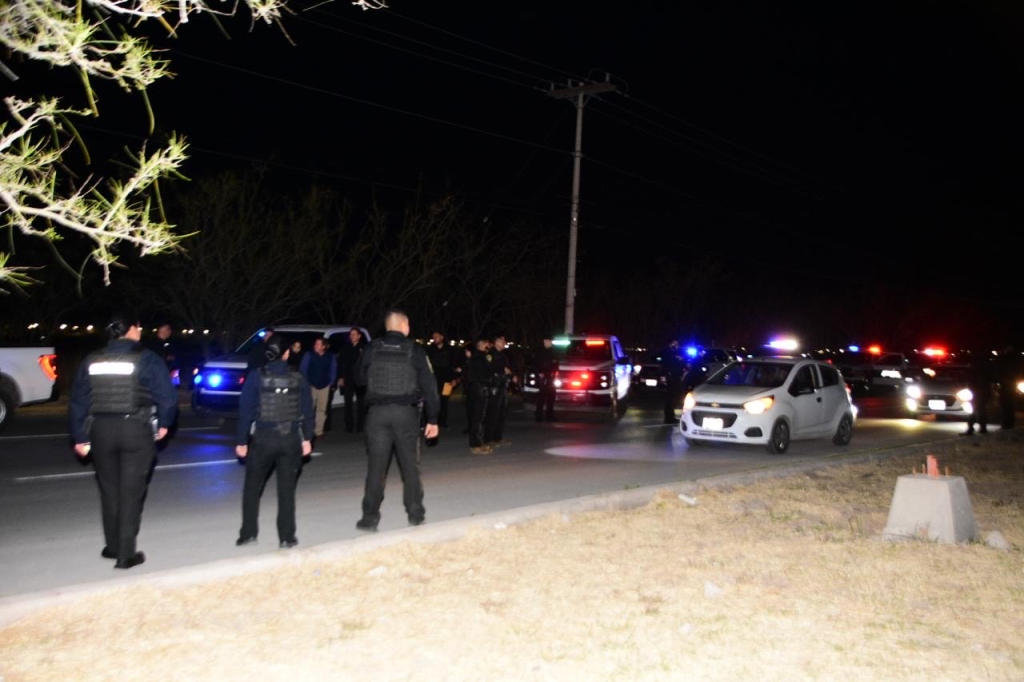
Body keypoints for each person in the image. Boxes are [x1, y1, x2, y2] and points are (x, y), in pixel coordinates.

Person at [68, 312, 178, 569]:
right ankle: (126, 554)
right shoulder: (147, 358)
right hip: (134, 429)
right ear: (131, 329)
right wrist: (164, 424)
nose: (140, 331)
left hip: (100, 430)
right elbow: (167, 397)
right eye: (138, 327)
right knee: (131, 491)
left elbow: (78, 401)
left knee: (109, 490)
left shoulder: (92, 359)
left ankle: (112, 546)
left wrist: (79, 436)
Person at [354, 309, 440, 532]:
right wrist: (433, 418)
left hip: (377, 414)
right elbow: (429, 386)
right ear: (403, 326)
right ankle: (415, 514)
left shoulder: (372, 348)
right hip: (405, 414)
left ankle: (369, 518)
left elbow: (359, 378)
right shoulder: (415, 350)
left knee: (376, 468)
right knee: (410, 466)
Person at [235, 335, 314, 548]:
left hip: (263, 438)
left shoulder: (256, 376)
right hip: (290, 439)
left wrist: (242, 441)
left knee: (252, 487)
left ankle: (248, 534)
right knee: (286, 489)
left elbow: (246, 411)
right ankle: (287, 537)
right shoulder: (299, 377)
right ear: (286, 353)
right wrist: (308, 438)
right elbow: (307, 410)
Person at [300, 336, 337, 440]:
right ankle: (307, 430)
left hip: (324, 386)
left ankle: (319, 431)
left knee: (321, 409)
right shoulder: (309, 354)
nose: (315, 346)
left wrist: (331, 382)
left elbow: (333, 369)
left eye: (318, 344)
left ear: (323, 346)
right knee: (309, 409)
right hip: (311, 385)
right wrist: (306, 383)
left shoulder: (330, 356)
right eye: (315, 343)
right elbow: (303, 369)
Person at [465, 337, 495, 454]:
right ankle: (475, 444)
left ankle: (478, 441)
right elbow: (486, 373)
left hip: (478, 388)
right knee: (478, 417)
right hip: (479, 389)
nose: (489, 346)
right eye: (487, 344)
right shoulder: (479, 358)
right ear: (482, 345)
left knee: (479, 417)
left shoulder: (478, 357)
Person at [425, 331, 460, 428]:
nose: (434, 339)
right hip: (434, 380)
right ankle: (433, 420)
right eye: (433, 337)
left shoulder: (450, 350)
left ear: (442, 337)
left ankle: (443, 421)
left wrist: (454, 379)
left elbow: (454, 364)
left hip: (447, 380)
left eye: (436, 336)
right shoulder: (430, 350)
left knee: (444, 400)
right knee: (434, 400)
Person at [337, 327, 367, 433]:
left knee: (361, 404)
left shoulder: (364, 348)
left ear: (359, 336)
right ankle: (349, 427)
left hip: (360, 380)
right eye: (351, 334)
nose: (352, 336)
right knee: (348, 404)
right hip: (348, 379)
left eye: (354, 334)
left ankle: (360, 426)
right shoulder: (345, 348)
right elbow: (340, 363)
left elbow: (367, 364)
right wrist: (340, 377)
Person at [484, 334, 512, 446]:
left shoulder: (503, 356)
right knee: (492, 413)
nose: (504, 343)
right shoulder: (490, 355)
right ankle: (488, 438)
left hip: (502, 386)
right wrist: (502, 369)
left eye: (504, 341)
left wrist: (511, 374)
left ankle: (497, 437)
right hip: (494, 387)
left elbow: (508, 369)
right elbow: (489, 369)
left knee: (501, 413)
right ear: (496, 342)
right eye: (501, 341)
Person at [964, 352, 993, 436]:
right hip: (981, 391)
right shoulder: (986, 367)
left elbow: (971, 379)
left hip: (977, 391)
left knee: (975, 410)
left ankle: (973, 428)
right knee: (980, 410)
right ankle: (981, 427)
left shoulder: (976, 367)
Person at [660, 339, 687, 424]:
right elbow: (665, 365)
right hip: (671, 377)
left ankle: (671, 416)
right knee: (670, 398)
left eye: (677, 344)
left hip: (676, 377)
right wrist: (665, 376)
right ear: (670, 344)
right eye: (674, 344)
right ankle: (668, 417)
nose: (676, 345)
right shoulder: (668, 353)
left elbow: (682, 363)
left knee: (674, 398)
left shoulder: (677, 353)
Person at [533, 337, 558, 422]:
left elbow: (556, 364)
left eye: (548, 341)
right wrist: (539, 372)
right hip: (543, 377)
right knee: (541, 397)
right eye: (545, 341)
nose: (546, 343)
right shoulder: (540, 351)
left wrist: (555, 373)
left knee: (551, 397)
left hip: (551, 377)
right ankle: (538, 415)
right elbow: (535, 363)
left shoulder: (553, 352)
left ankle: (549, 416)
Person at [996, 345, 1020, 430]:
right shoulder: (1013, 359)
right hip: (1009, 384)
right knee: (1008, 405)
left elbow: (1002, 370)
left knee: (1006, 405)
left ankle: (1007, 423)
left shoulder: (1007, 359)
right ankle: (1008, 423)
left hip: (1007, 384)